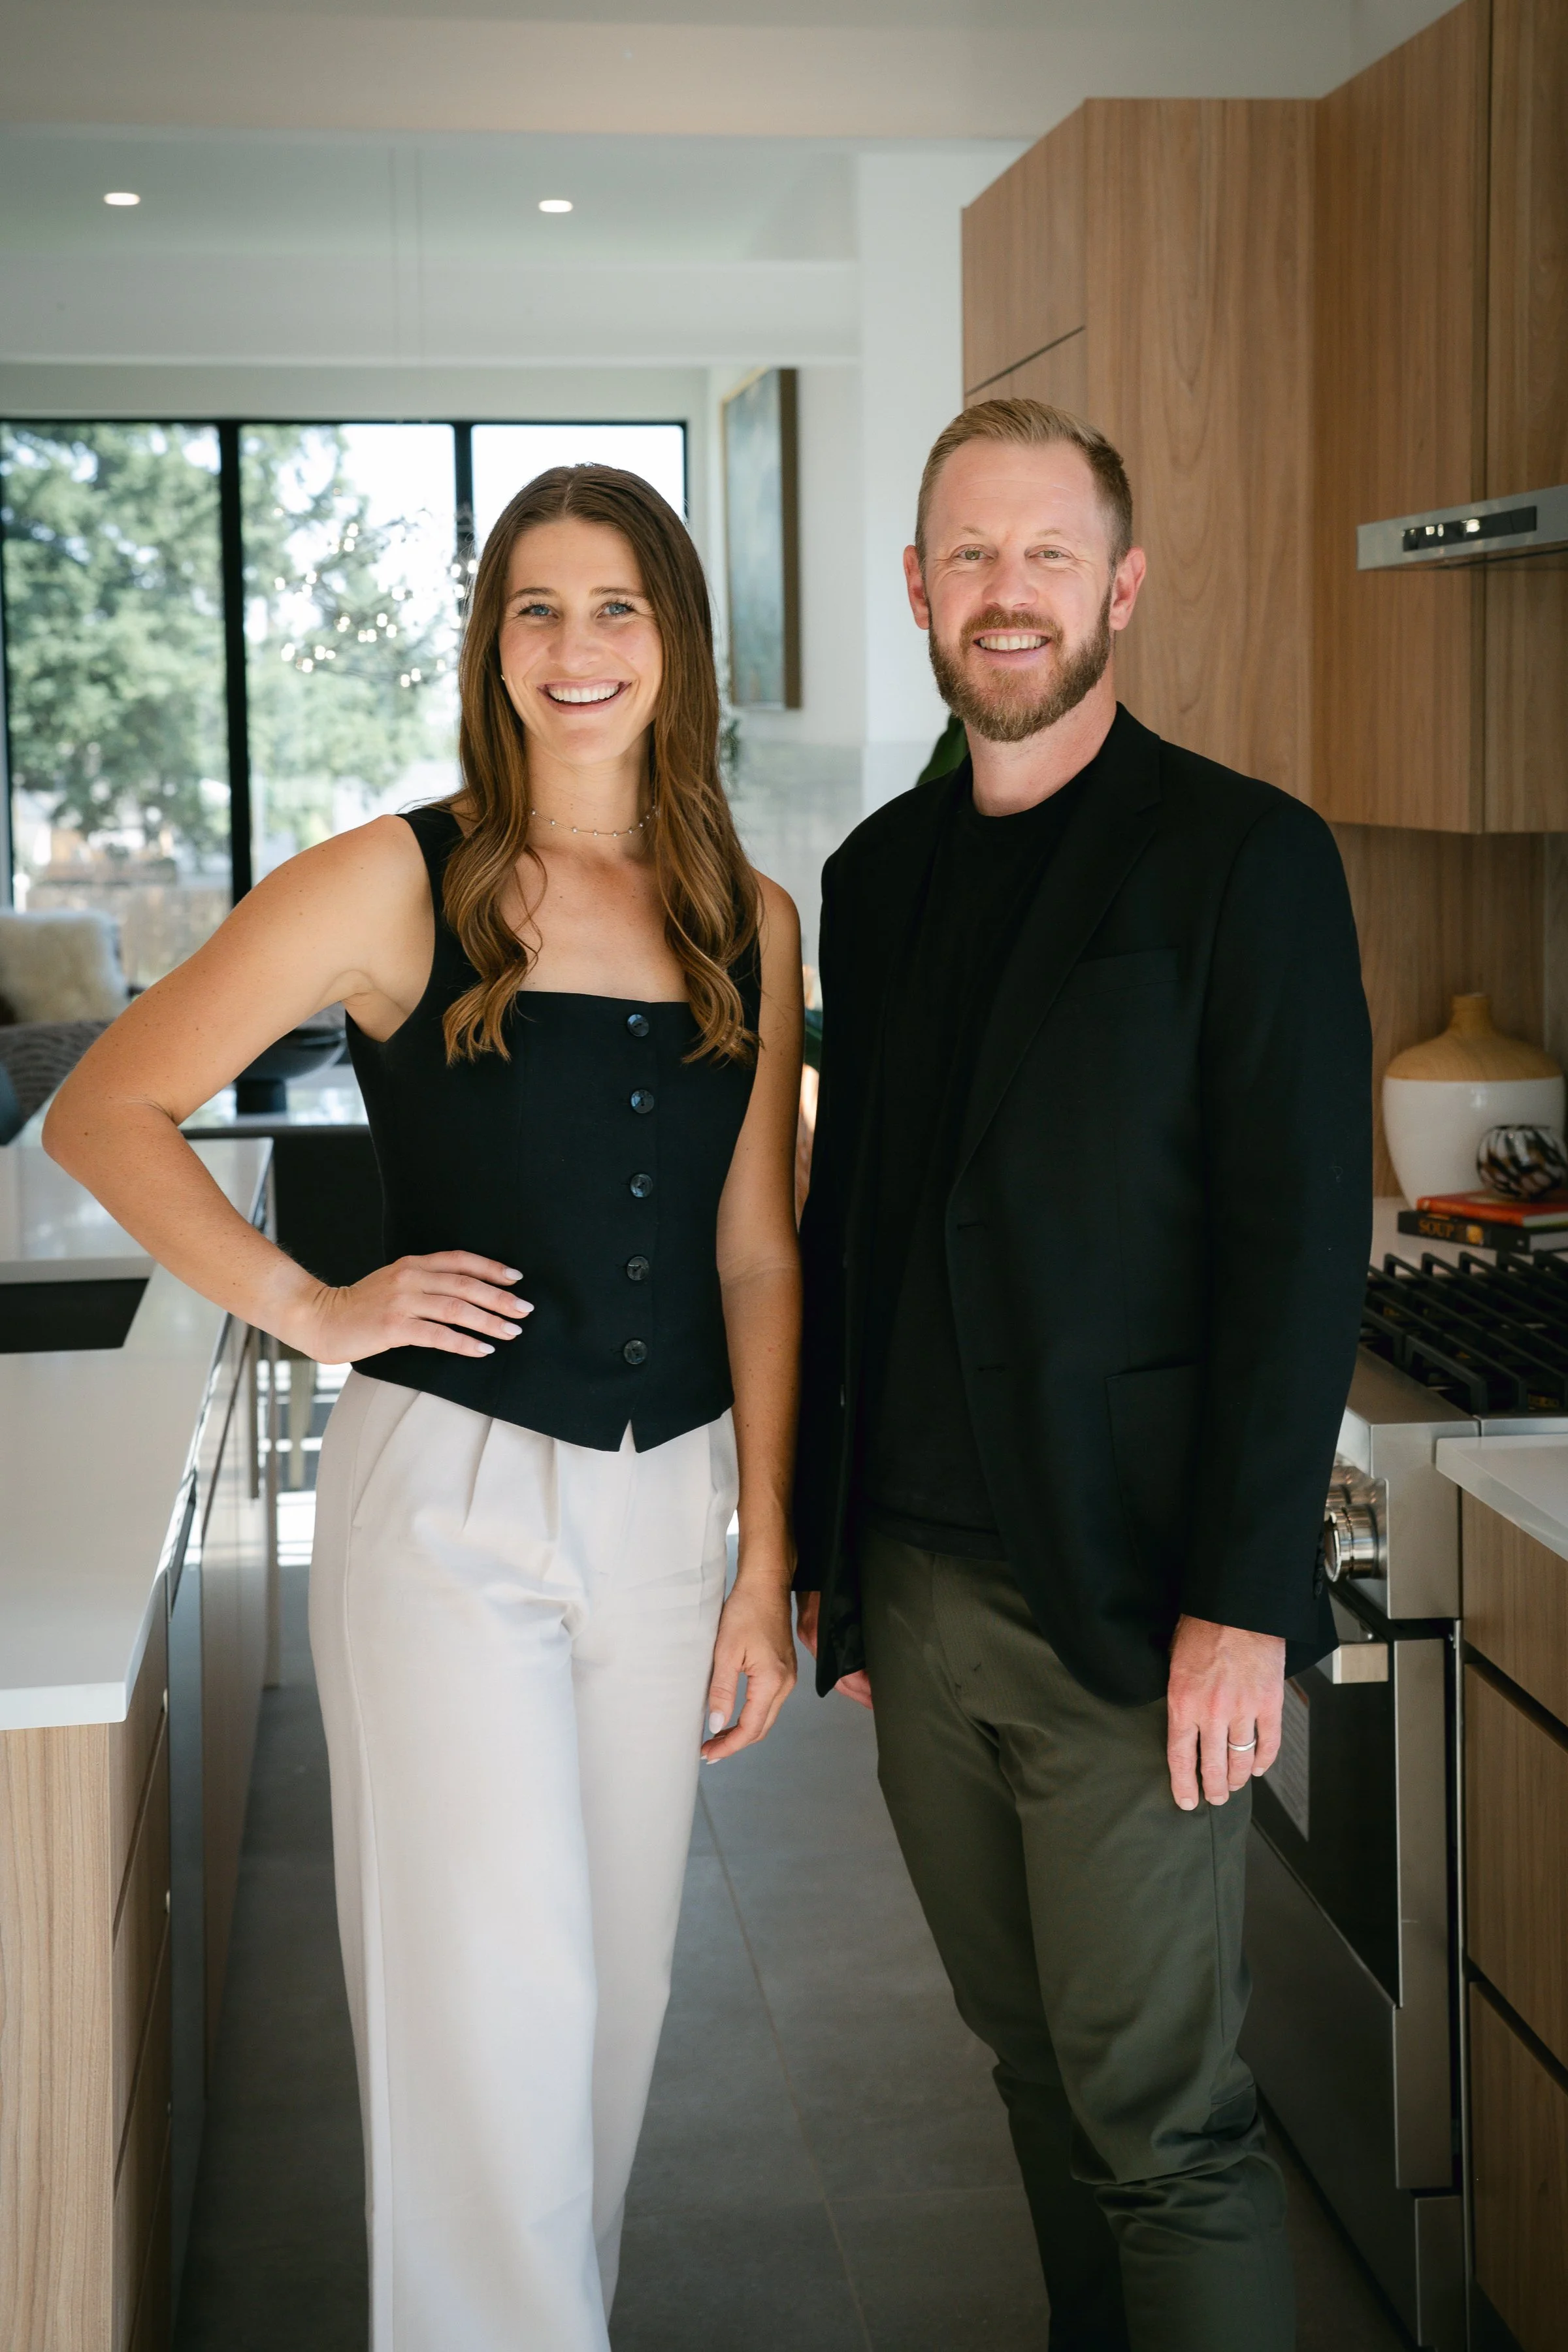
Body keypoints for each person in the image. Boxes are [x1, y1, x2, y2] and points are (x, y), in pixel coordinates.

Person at [46, 464, 804, 2352]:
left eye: (616, 606)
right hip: (444, 1503)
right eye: (535, 608)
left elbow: (759, 1260)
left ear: (676, 643)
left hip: (670, 1508)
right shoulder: (394, 877)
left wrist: (764, 1559)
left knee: (615, 2002)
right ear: (492, 646)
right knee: (490, 2010)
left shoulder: (751, 916)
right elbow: (105, 1110)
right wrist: (309, 1306)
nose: (576, 648)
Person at [793, 399, 1371, 2352]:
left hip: (1133, 1609)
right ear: (917, 590)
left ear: (1121, 587)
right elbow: (846, 1232)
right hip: (922, 1596)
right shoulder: (871, 885)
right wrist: (830, 1566)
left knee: (1169, 2130)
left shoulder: (1246, 861)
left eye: (1049, 555)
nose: (1008, 592)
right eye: (972, 554)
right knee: (1034, 2085)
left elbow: (1300, 1259)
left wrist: (1246, 1606)